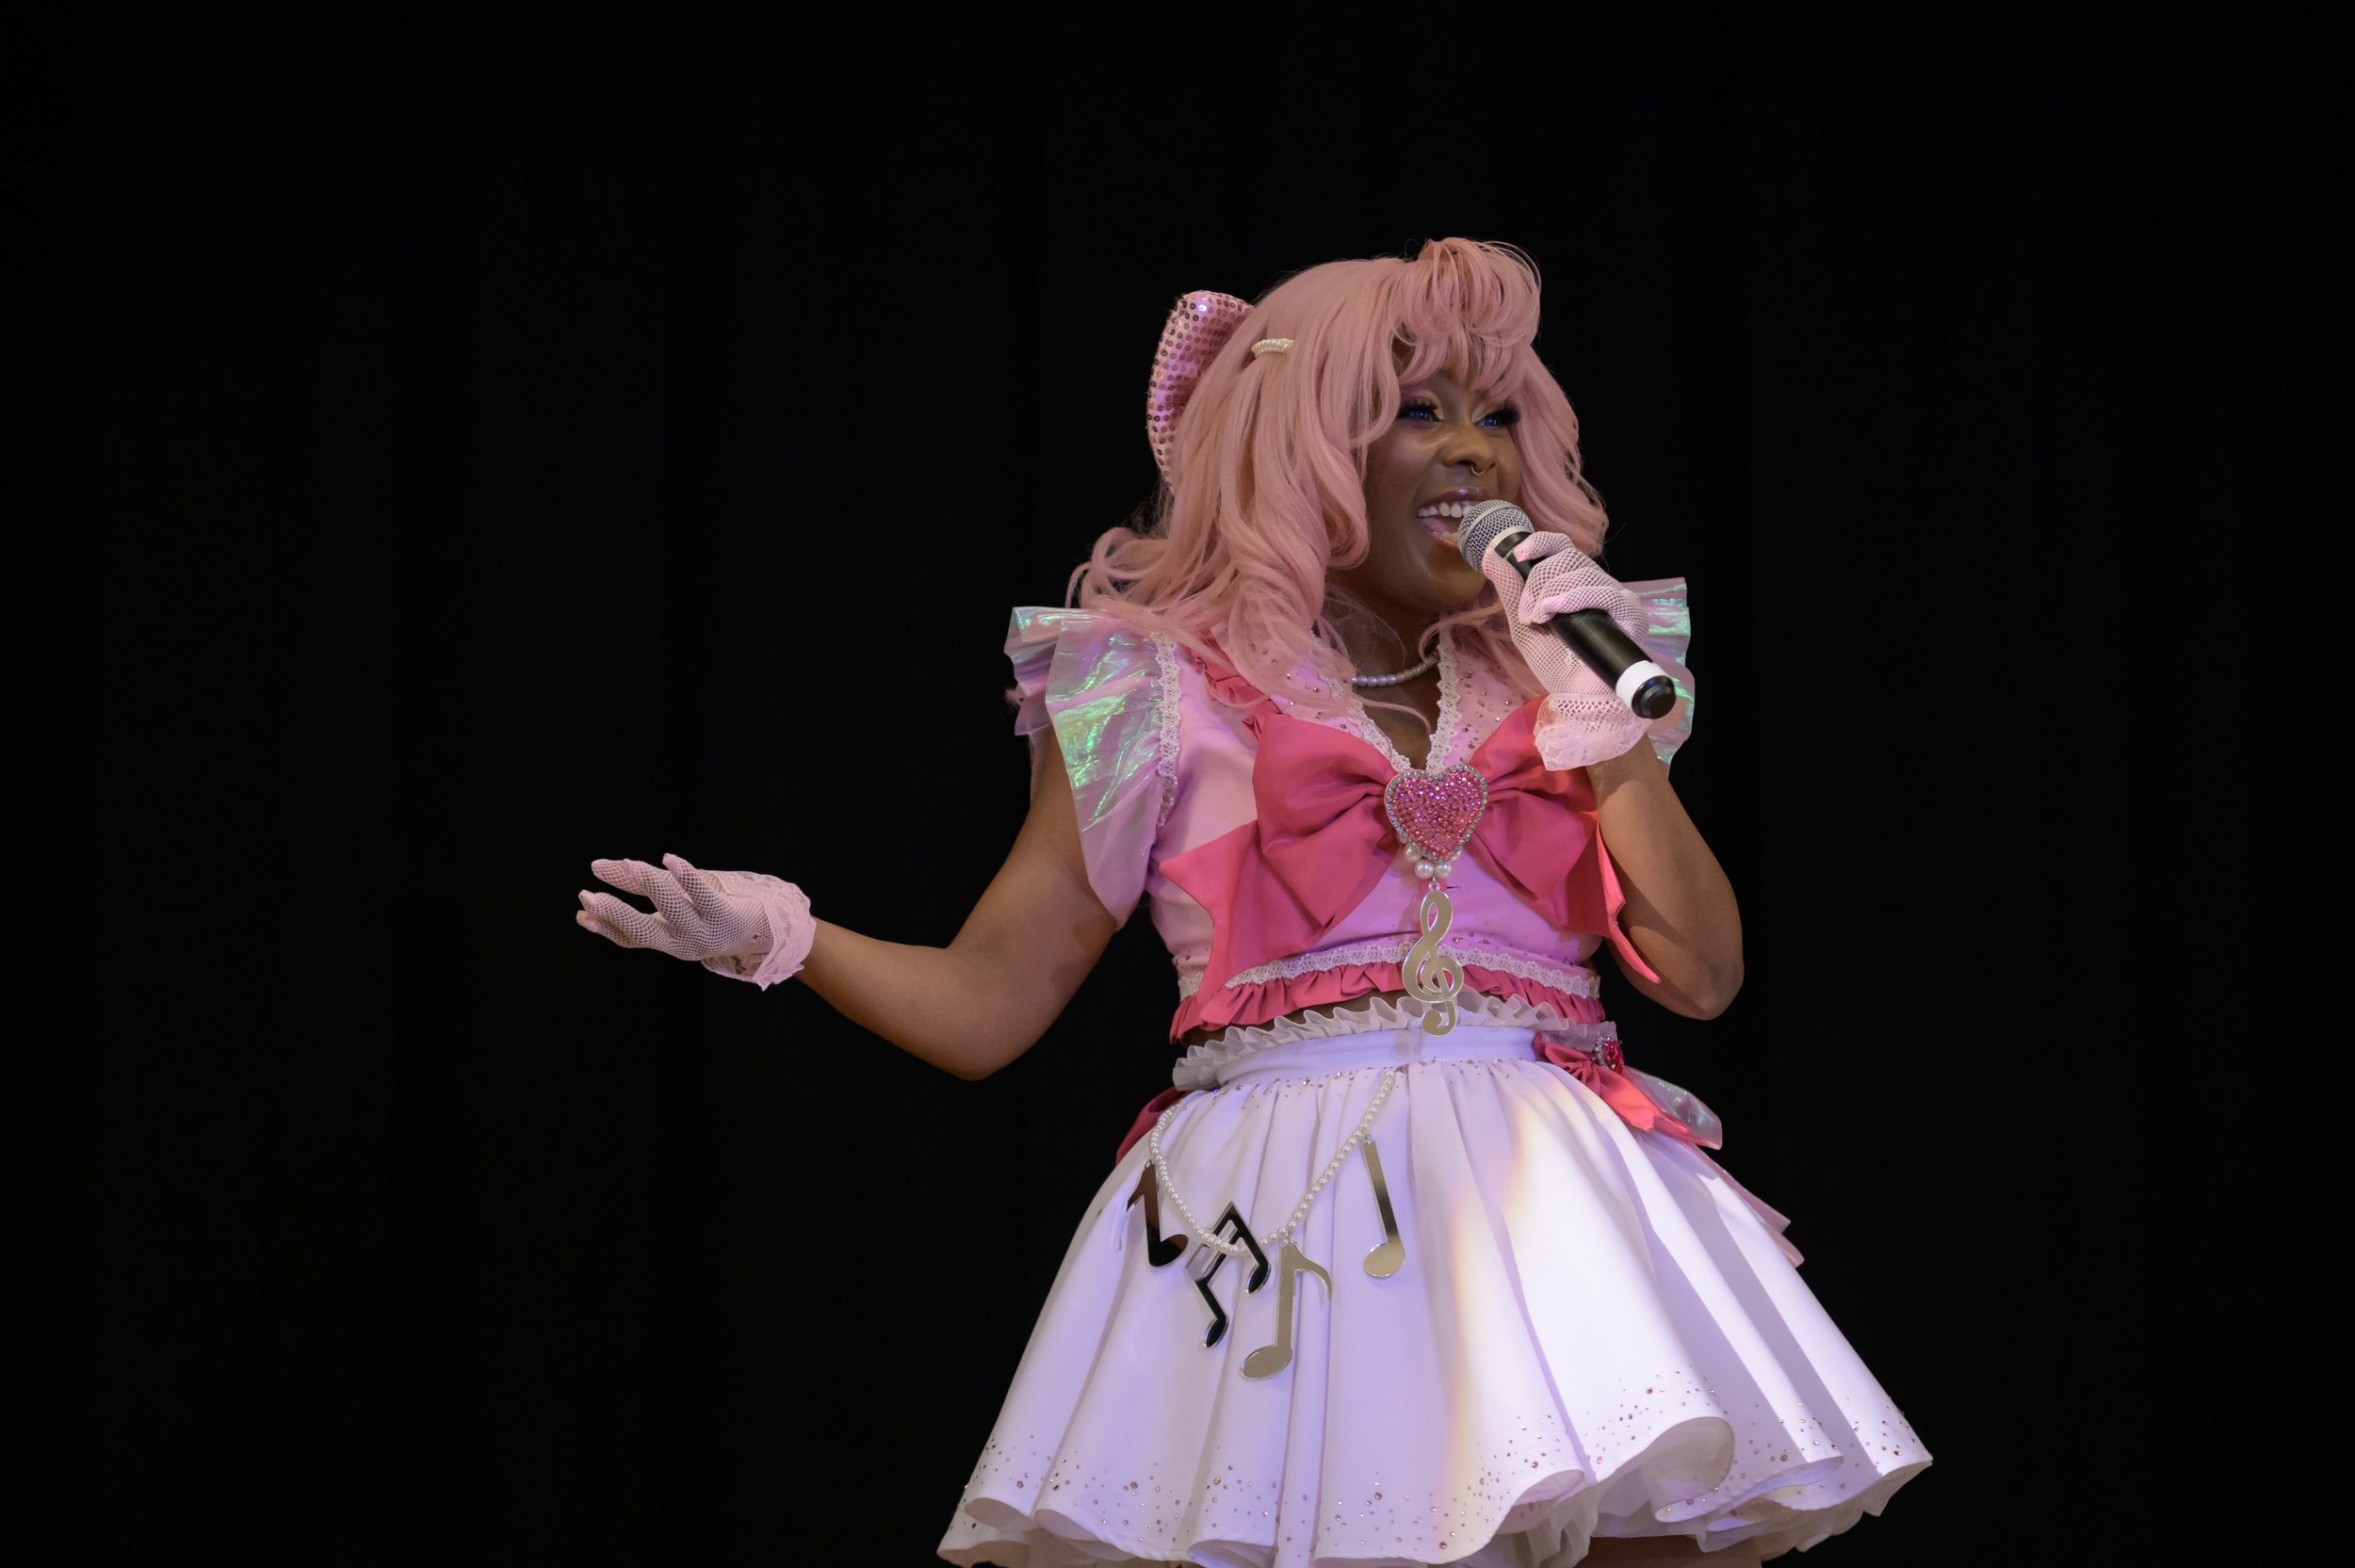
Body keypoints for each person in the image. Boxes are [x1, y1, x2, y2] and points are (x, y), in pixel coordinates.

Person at [575, 238, 1929, 1566]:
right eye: (1418, 412)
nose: (1473, 451)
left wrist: (1600, 713)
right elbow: (992, 1001)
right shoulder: (1157, 689)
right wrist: (780, 935)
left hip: (1555, 1215)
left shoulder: (1565, 685)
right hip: (1290, 1223)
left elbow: (1701, 973)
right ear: (1305, 448)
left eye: (1494, 414)